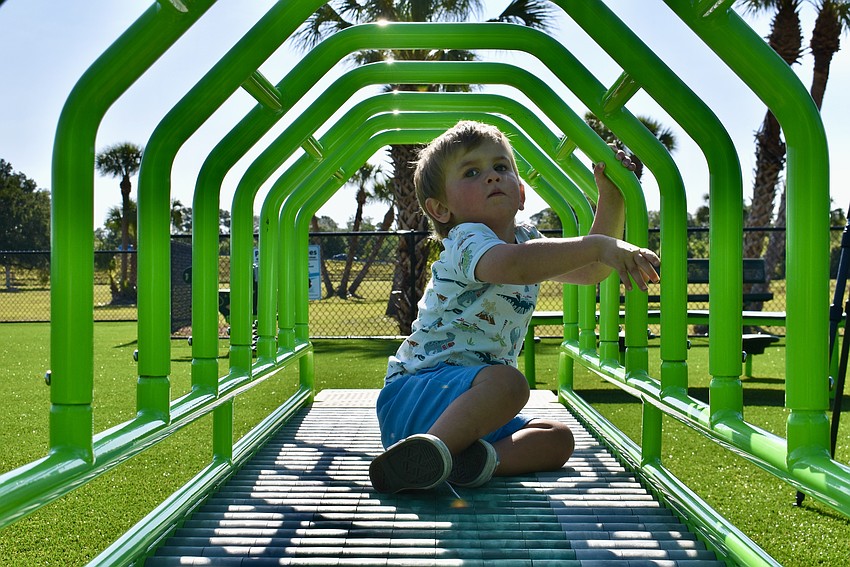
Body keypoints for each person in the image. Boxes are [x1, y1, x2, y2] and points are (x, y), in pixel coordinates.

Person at [369, 120, 660, 494]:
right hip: (416, 393)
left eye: (501, 167)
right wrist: (599, 245)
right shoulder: (467, 240)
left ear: (521, 193)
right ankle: (428, 450)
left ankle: (471, 461)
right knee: (510, 383)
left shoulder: (526, 239)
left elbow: (590, 271)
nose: (491, 177)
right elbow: (511, 265)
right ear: (441, 209)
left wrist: (613, 197)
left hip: (476, 404)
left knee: (557, 438)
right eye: (472, 172)